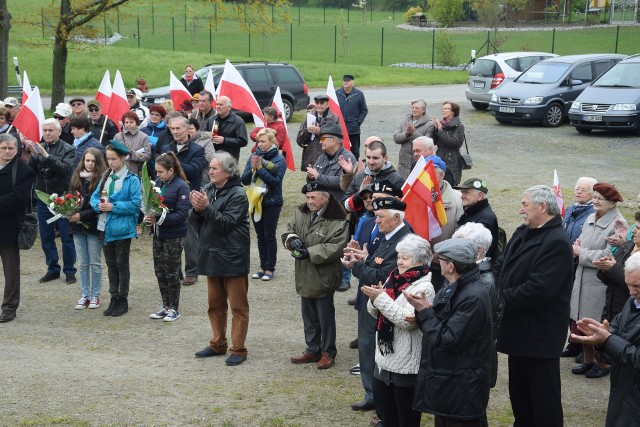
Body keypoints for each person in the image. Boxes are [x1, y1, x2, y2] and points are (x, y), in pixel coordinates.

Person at [493, 185, 574, 427]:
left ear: (542, 207)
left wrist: (498, 301)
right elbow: (501, 265)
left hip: (539, 336)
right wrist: (491, 287)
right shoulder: (522, 231)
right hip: (518, 331)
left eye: (525, 204)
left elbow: (538, 290)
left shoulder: (557, 242)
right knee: (520, 397)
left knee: (543, 400)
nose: (520, 210)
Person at [408, 238, 492, 426]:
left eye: (441, 260)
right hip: (450, 382)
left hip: (461, 388)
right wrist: (425, 311)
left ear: (451, 266)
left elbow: (449, 338)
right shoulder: (453, 286)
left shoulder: (473, 297)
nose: (437, 263)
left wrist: (425, 312)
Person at [342, 196, 413, 413]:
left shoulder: (404, 241)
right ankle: (372, 395)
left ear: (397, 217)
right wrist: (364, 258)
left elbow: (384, 276)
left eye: (381, 217)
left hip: (386, 306)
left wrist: (356, 267)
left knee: (377, 352)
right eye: (375, 216)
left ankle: (381, 403)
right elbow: (378, 264)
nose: (376, 221)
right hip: (373, 302)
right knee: (366, 349)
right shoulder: (388, 236)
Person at [360, 233, 435, 427]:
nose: (399, 262)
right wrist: (375, 298)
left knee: (406, 419)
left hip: (405, 364)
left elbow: (406, 321)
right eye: (399, 257)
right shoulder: (394, 277)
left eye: (404, 258)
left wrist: (380, 298)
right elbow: (374, 312)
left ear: (419, 261)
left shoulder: (424, 287)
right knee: (387, 417)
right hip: (384, 360)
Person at [191, 152, 250, 367]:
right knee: (214, 305)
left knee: (238, 307)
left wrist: (205, 208)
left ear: (228, 172)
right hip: (212, 256)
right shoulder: (208, 189)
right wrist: (196, 210)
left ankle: (238, 349)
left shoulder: (238, 194)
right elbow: (196, 221)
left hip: (233, 258)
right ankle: (217, 343)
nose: (210, 171)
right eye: (210, 167)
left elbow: (226, 223)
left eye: (215, 168)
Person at [284, 181, 350, 370]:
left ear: (326, 197)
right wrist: (292, 239)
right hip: (305, 273)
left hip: (324, 275)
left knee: (325, 316)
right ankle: (313, 348)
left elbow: (337, 246)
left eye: (313, 197)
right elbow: (289, 230)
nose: (309, 201)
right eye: (307, 197)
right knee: (309, 315)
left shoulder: (338, 218)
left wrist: (310, 253)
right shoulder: (301, 211)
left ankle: (328, 351)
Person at [571, 251, 640, 427]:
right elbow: (616, 327)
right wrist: (599, 334)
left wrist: (608, 340)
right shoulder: (633, 301)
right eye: (628, 285)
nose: (631, 292)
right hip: (624, 392)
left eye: (637, 286)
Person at [570, 182, 627, 378]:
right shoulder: (589, 218)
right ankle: (588, 360)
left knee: (596, 324)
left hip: (598, 283)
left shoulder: (618, 224)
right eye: (593, 197)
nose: (594, 201)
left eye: (599, 199)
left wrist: (581, 252)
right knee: (583, 322)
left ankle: (602, 364)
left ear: (612, 203)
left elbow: (609, 254)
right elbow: (582, 240)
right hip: (581, 278)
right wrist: (578, 245)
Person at [90, 141, 141, 317]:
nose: (110, 162)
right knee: (110, 264)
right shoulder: (106, 176)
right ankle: (113, 297)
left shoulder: (131, 179)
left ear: (123, 158)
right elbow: (94, 197)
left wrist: (113, 206)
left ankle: (122, 299)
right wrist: (98, 206)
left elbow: (135, 204)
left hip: (121, 229)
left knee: (121, 264)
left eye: (113, 159)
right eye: (108, 159)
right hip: (104, 226)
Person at [453, 222, 504, 391]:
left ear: (479, 251)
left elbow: (481, 328)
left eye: (461, 246)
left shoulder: (485, 282)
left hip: (473, 362)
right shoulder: (467, 275)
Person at [25, 118, 77, 284]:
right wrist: (34, 157)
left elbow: (65, 170)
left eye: (50, 130)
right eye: (44, 131)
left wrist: (46, 156)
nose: (47, 134)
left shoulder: (69, 149)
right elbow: (30, 172)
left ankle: (69, 271)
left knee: (66, 237)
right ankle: (52, 269)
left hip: (63, 198)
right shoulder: (40, 147)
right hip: (42, 198)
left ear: (59, 131)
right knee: (46, 237)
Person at [145, 152, 191, 322]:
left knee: (171, 272)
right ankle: (165, 305)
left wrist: (160, 219)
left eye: (160, 172)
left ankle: (174, 308)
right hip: (158, 234)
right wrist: (149, 217)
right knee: (160, 271)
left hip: (174, 235)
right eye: (156, 172)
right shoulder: (158, 183)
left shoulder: (182, 186)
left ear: (171, 170)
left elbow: (181, 215)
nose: (157, 175)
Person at [160, 116, 205, 287]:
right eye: (172, 128)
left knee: (189, 236)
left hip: (189, 195)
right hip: (169, 196)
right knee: (171, 235)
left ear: (188, 129)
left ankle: (192, 271)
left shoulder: (197, 150)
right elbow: (158, 168)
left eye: (178, 128)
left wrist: (174, 162)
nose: (175, 132)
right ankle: (175, 269)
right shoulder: (166, 147)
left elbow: (194, 171)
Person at [241, 128, 286, 282]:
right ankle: (262, 266)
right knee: (260, 235)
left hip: (272, 202)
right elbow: (245, 180)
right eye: (258, 141)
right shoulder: (254, 156)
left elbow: (275, 183)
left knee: (269, 235)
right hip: (255, 200)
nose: (259, 144)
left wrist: (260, 169)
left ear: (272, 142)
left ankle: (270, 268)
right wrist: (254, 168)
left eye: (263, 141)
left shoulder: (279, 159)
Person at [0, 133, 35, 323]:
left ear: (16, 150)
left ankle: (9, 307)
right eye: (3, 148)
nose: (7, 152)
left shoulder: (24, 171)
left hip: (10, 228)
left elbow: (17, 199)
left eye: (10, 148)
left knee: (11, 272)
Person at [68, 148, 107, 310]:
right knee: (83, 262)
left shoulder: (101, 180)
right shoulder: (76, 179)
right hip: (77, 227)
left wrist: (81, 216)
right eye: (87, 160)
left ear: (98, 163)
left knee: (95, 262)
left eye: (93, 161)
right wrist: (68, 212)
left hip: (93, 226)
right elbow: (71, 199)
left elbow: (98, 206)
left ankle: (95, 295)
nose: (89, 164)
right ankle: (84, 294)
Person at [305, 122, 357, 202]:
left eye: (323, 139)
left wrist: (318, 177)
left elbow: (341, 183)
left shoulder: (347, 158)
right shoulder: (322, 158)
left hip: (337, 204)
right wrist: (311, 177)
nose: (320, 142)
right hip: (321, 203)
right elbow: (313, 181)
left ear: (333, 141)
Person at [453, 178, 500, 261]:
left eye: (466, 192)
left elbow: (479, 250)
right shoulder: (471, 211)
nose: (462, 196)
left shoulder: (486, 218)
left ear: (480, 196)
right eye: (462, 192)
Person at [297, 94, 340, 172]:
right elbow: (299, 140)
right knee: (311, 182)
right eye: (317, 103)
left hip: (328, 157)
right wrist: (308, 131)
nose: (319, 105)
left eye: (322, 103)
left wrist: (320, 131)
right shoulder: (309, 117)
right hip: (312, 157)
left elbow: (338, 139)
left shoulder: (334, 119)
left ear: (327, 105)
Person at [393, 99, 434, 179]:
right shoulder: (405, 120)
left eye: (417, 108)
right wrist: (406, 134)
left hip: (418, 160)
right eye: (413, 108)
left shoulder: (429, 124)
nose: (414, 110)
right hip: (404, 161)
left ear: (423, 110)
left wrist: (413, 133)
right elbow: (396, 138)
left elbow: (427, 142)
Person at [336, 74, 368, 160]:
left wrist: (358, 122)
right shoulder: (336, 93)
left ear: (352, 82)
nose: (346, 83)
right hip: (340, 129)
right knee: (339, 151)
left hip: (353, 130)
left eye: (348, 81)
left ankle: (355, 170)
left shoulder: (359, 94)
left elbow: (364, 110)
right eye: (344, 81)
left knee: (354, 151)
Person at [433, 101, 465, 186]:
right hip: (439, 157)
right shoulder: (441, 125)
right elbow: (433, 142)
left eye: (445, 109)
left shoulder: (459, 126)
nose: (443, 110)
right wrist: (435, 129)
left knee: (451, 184)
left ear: (453, 112)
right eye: (442, 109)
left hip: (452, 160)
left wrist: (440, 131)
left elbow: (454, 142)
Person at [114, 111, 151, 176]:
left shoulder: (144, 137)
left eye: (131, 122)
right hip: (120, 171)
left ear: (136, 123)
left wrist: (132, 153)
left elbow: (147, 156)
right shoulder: (117, 136)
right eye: (126, 122)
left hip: (136, 172)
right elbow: (113, 154)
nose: (129, 124)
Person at [211, 96, 248, 161]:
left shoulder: (238, 121)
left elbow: (243, 141)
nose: (218, 106)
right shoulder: (212, 119)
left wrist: (224, 140)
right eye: (217, 104)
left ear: (229, 107)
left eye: (221, 105)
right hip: (214, 156)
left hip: (230, 158)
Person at [563, 177, 597, 244]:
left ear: (592, 194)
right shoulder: (569, 209)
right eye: (577, 189)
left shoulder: (595, 213)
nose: (579, 192)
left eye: (583, 190)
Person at [187, 118, 215, 185]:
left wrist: (193, 165)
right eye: (187, 129)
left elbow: (209, 157)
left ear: (196, 129)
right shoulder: (182, 141)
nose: (189, 131)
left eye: (191, 129)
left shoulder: (206, 140)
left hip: (202, 175)